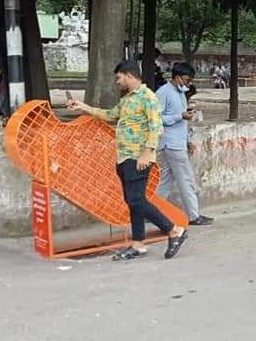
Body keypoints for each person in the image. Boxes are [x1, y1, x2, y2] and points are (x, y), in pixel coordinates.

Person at [66, 60, 189, 261]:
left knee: (137, 200)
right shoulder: (127, 100)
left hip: (138, 157)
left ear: (129, 75)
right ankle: (138, 244)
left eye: (119, 77)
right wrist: (83, 107)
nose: (117, 82)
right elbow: (109, 115)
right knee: (133, 202)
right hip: (124, 157)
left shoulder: (148, 97)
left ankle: (174, 230)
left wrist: (147, 153)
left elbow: (156, 127)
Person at [156, 62, 214, 226]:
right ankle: (194, 216)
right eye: (187, 80)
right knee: (186, 180)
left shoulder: (181, 93)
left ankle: (151, 211)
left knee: (165, 181)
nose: (188, 84)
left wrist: (187, 140)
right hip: (171, 144)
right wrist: (180, 116)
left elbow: (183, 119)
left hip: (176, 142)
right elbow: (156, 118)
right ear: (177, 77)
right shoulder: (163, 93)